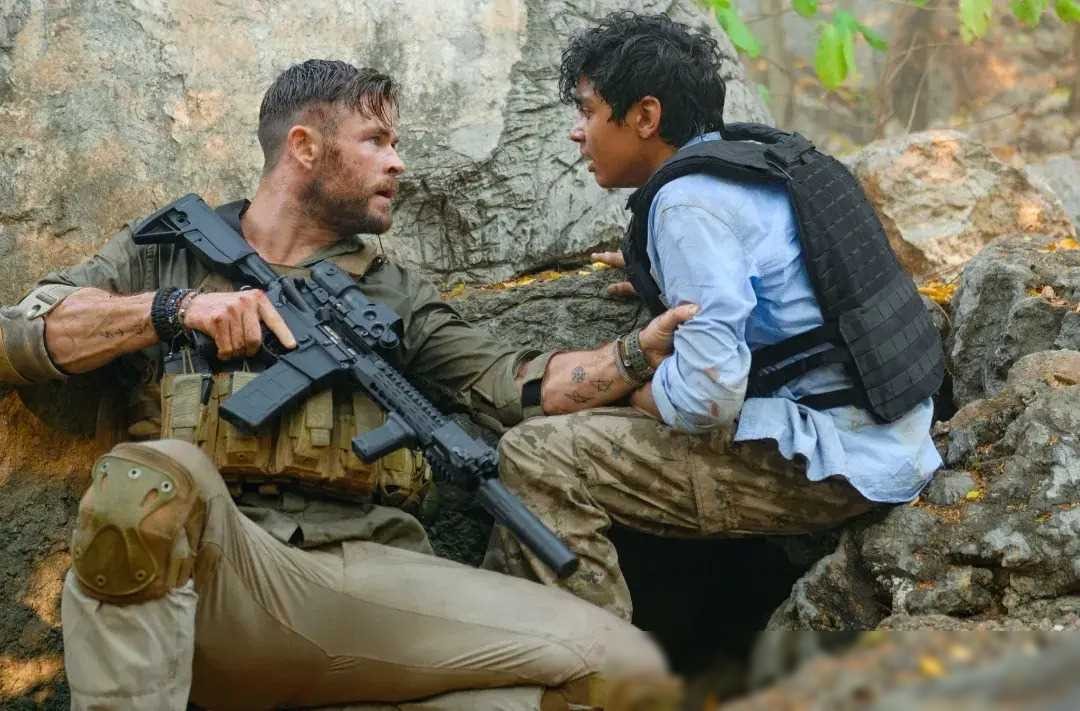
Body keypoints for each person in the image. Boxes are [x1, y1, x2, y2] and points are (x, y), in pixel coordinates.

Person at [0, 59, 694, 710]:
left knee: (630, 668)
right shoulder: (167, 253)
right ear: (304, 146)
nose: (398, 162)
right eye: (376, 141)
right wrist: (173, 310)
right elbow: (19, 337)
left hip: (369, 588)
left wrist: (635, 354)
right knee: (143, 479)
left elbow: (513, 383)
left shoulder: (391, 292)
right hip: (219, 574)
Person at [482, 12, 943, 622]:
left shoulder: (687, 205)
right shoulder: (756, 160)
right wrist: (662, 271)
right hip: (890, 433)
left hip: (833, 466)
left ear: (645, 116)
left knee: (536, 456)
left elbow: (707, 399)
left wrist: (633, 392)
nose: (577, 132)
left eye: (587, 112)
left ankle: (589, 661)